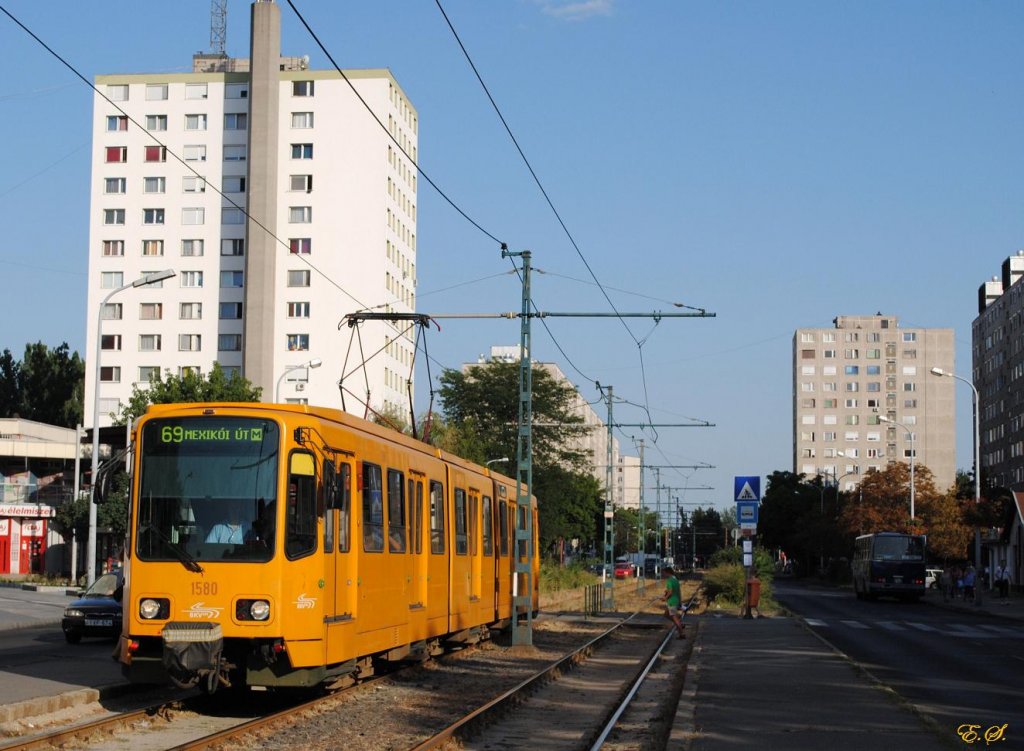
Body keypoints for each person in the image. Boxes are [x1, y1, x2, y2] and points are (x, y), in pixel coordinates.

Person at [660, 566, 686, 639]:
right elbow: (676, 591)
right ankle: (680, 623)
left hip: (672, 602)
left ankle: (682, 634)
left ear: (668, 572)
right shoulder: (675, 580)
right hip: (676, 600)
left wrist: (665, 598)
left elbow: (670, 592)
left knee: (675, 618)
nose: (663, 574)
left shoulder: (669, 580)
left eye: (664, 573)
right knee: (666, 614)